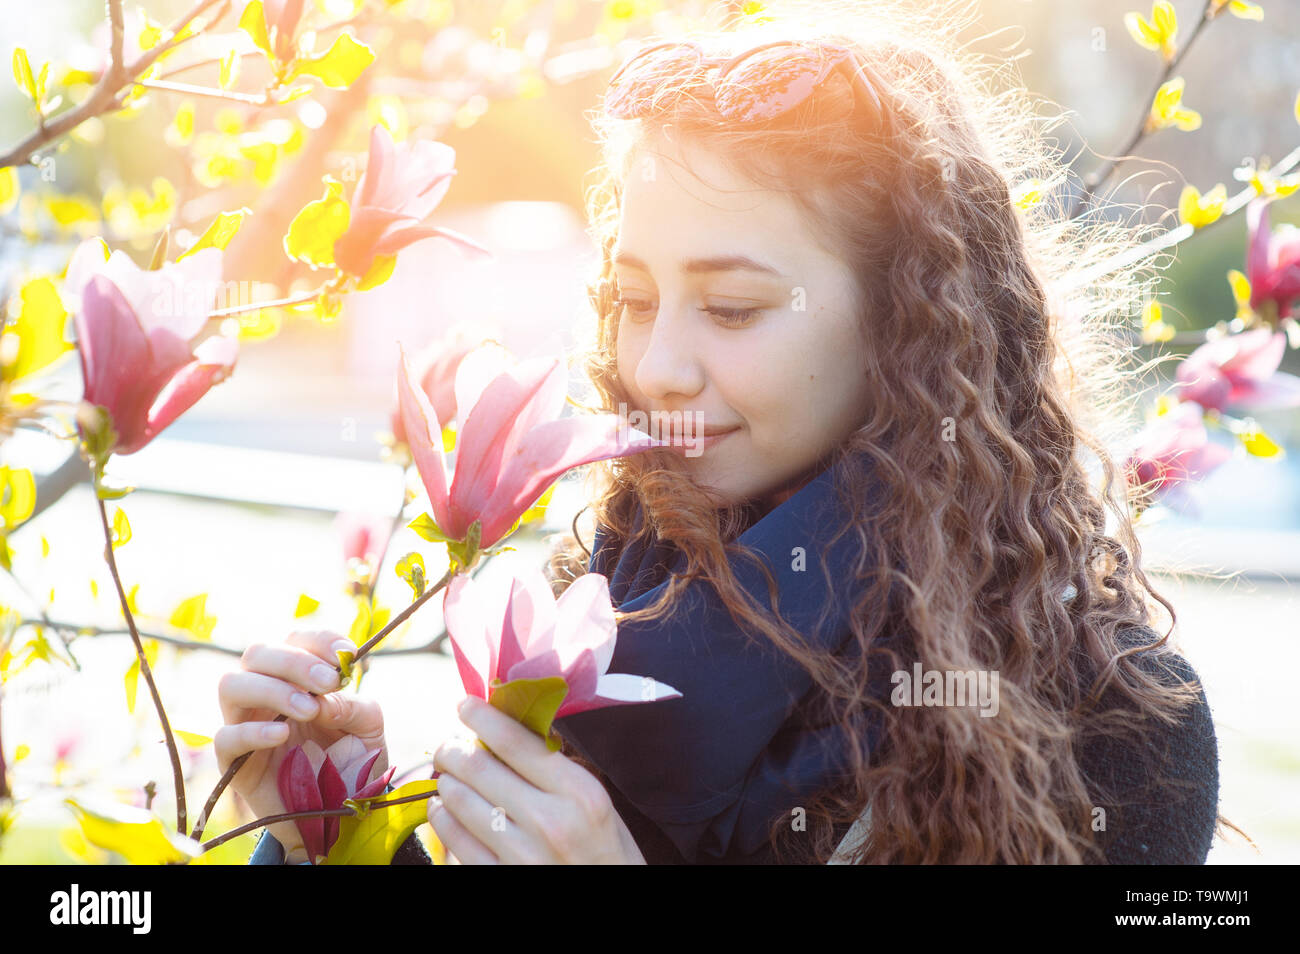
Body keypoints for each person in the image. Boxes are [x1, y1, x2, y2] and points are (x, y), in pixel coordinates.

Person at [222, 0, 1225, 865]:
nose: (654, 366)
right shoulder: (603, 606)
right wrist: (336, 825)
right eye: (633, 298)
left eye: (733, 308)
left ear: (902, 321)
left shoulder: (1114, 721)